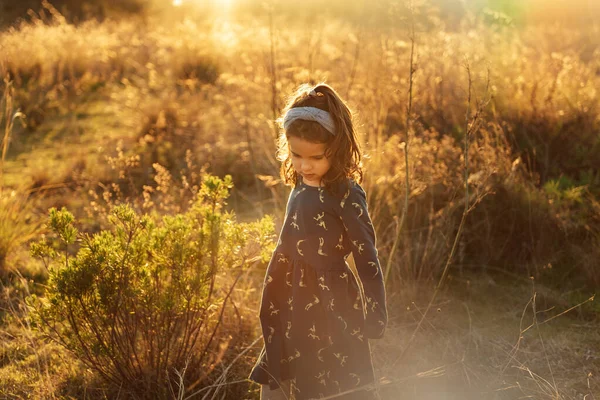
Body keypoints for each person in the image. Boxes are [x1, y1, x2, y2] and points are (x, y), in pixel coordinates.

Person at [248, 83, 388, 400]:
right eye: (296, 155)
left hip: (330, 300)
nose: (305, 165)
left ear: (336, 148)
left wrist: (377, 309)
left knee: (332, 380)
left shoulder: (347, 194)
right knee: (276, 373)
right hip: (287, 291)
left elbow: (367, 255)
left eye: (315, 157)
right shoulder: (300, 180)